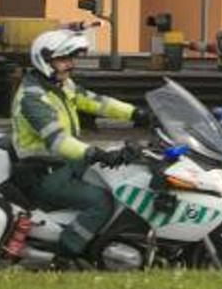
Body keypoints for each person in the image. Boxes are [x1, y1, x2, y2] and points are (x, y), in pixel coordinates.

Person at [10, 28, 147, 260]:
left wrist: (137, 113)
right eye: (63, 59)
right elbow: (58, 141)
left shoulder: (60, 86)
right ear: (44, 60)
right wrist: (97, 154)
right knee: (102, 202)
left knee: (125, 178)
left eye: (71, 59)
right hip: (44, 172)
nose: (70, 65)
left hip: (65, 165)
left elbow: (96, 103)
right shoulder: (33, 99)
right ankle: (67, 255)